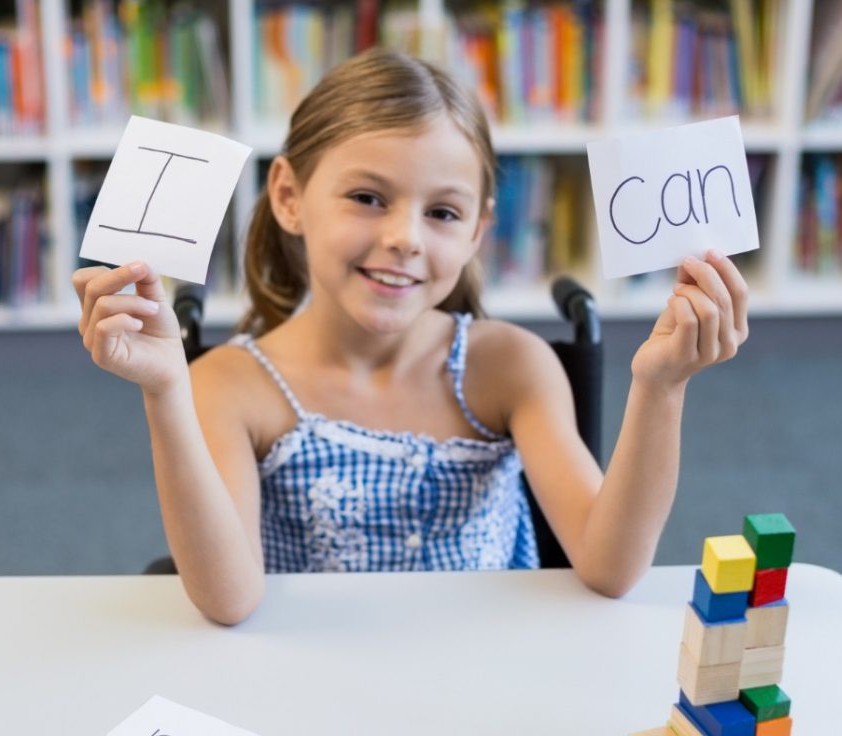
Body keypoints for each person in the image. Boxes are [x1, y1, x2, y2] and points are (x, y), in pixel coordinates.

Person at [73, 49, 749, 625]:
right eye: (367, 197)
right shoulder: (228, 384)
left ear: (478, 230)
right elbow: (229, 602)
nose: (404, 238)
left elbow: (609, 569)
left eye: (443, 212)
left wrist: (662, 386)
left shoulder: (510, 365)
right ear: (287, 196)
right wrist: (166, 391)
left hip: (485, 683)